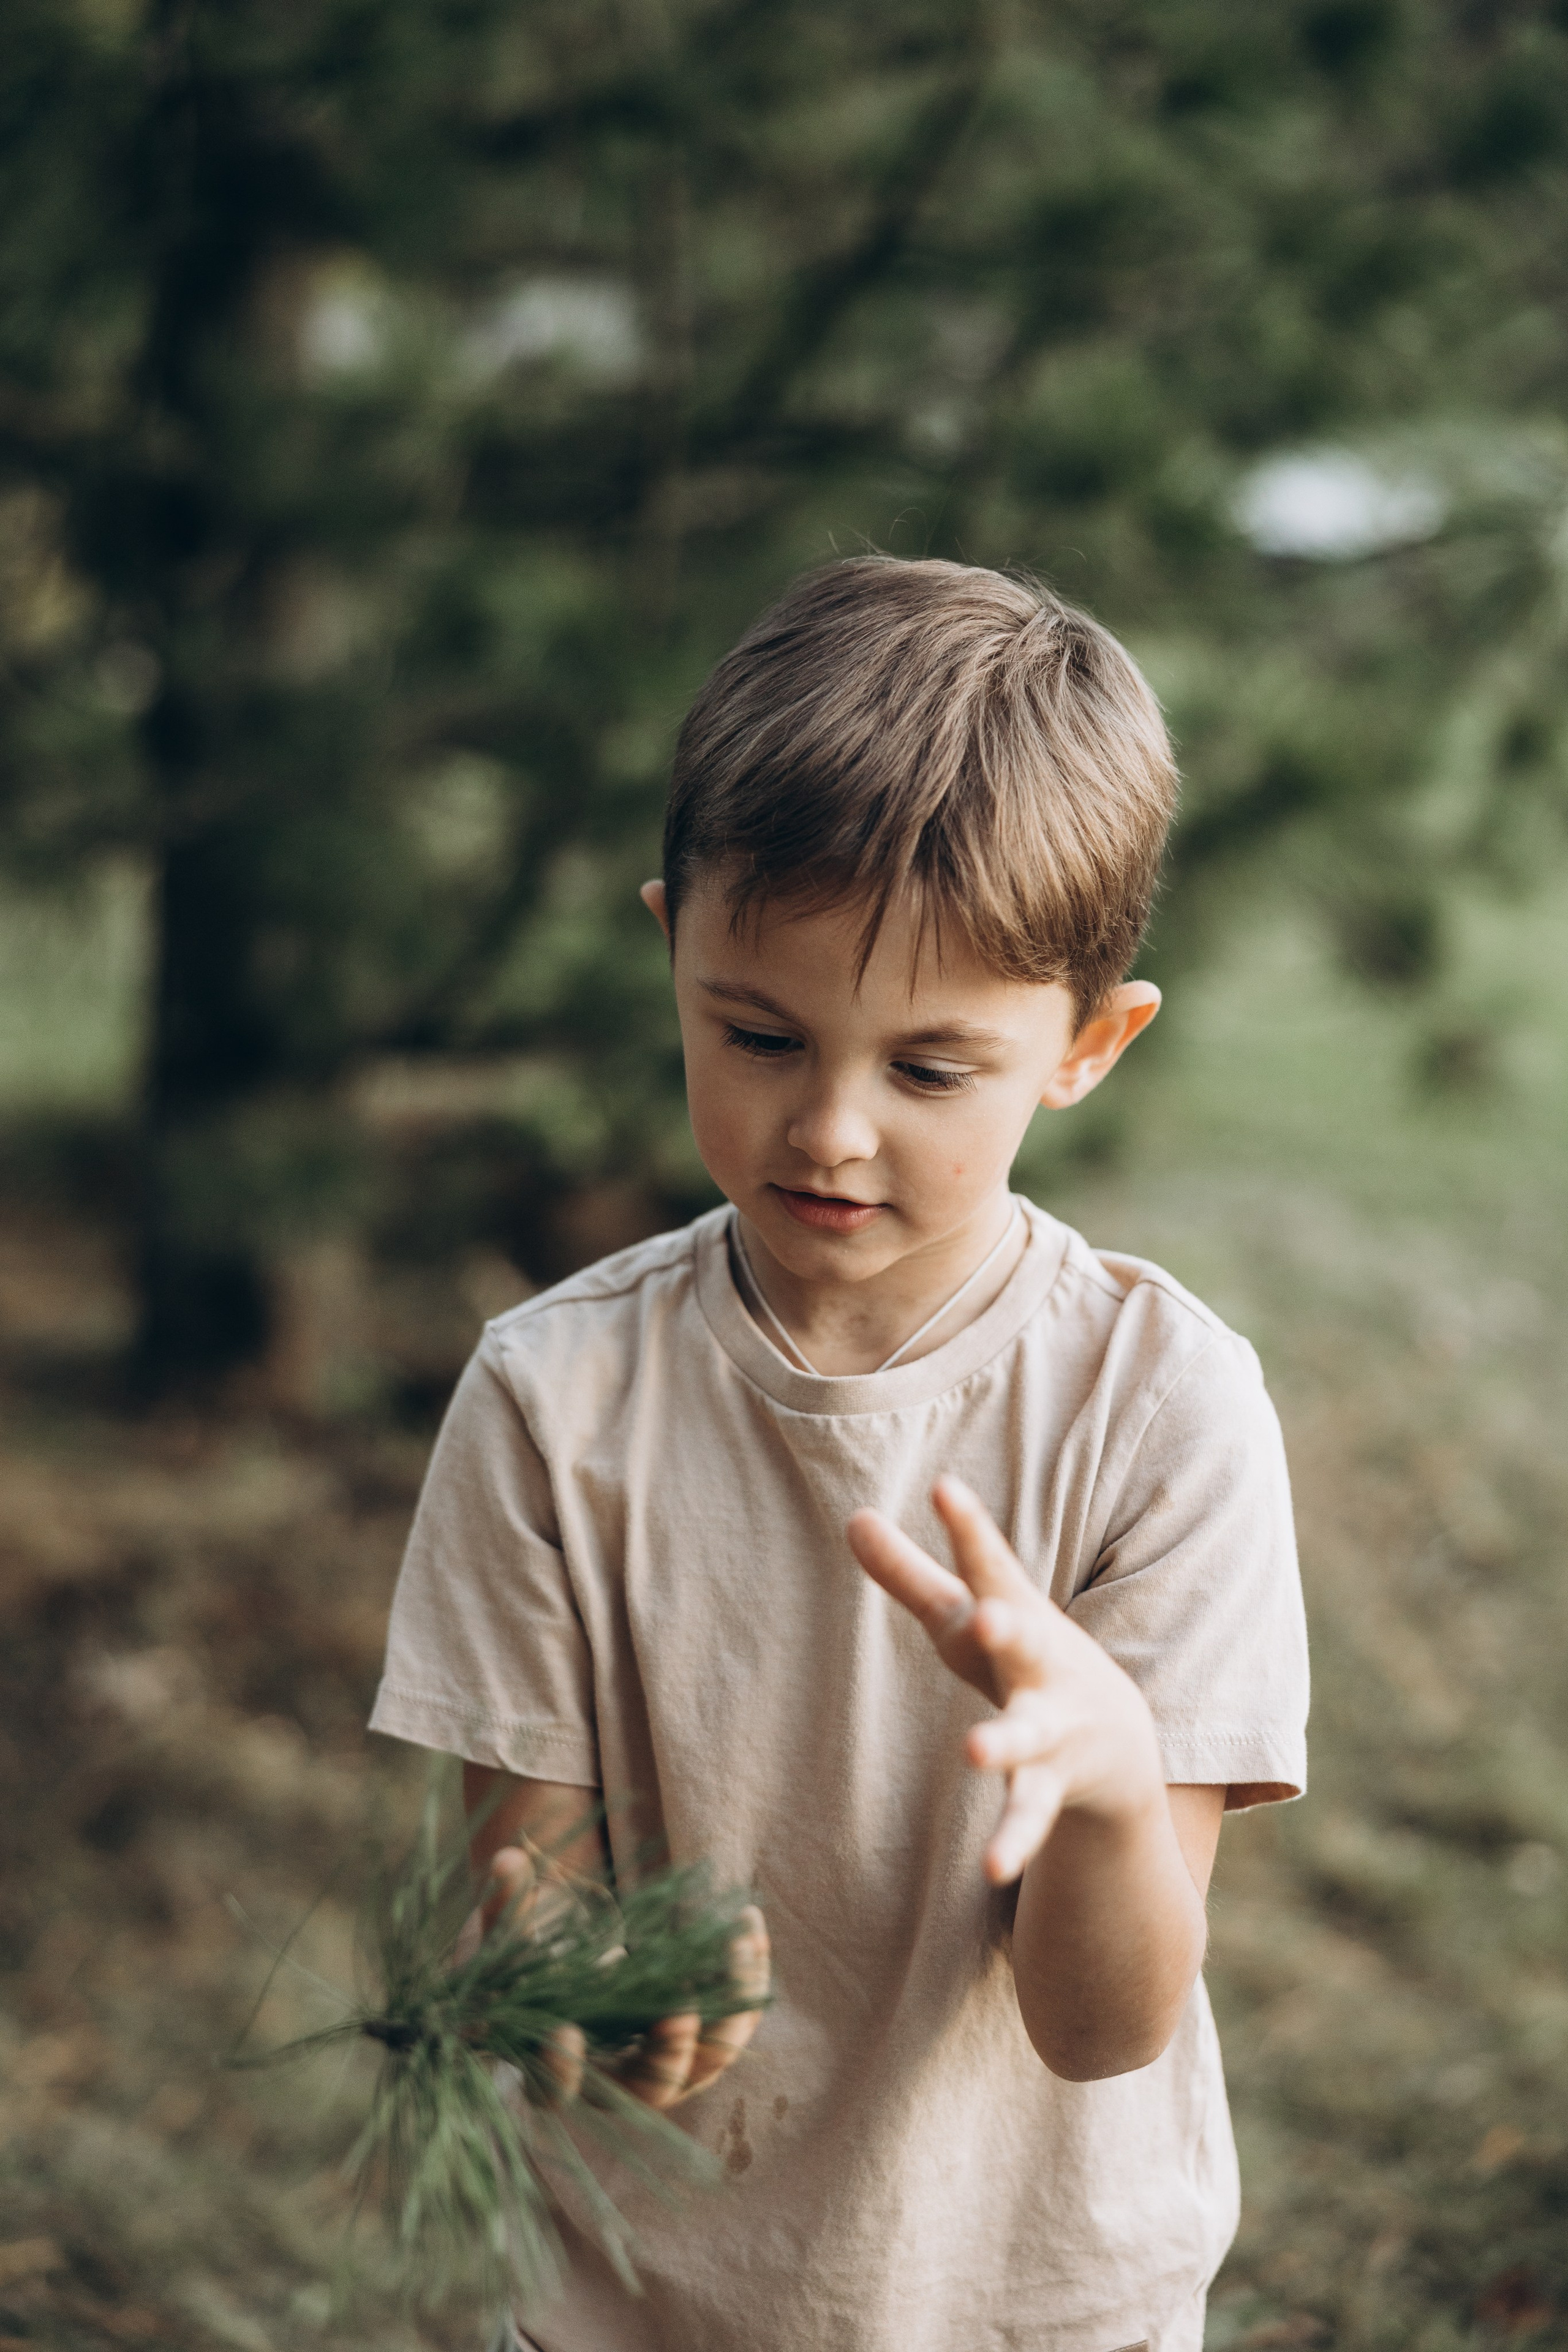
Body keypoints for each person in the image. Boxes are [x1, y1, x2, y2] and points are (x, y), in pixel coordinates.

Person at [370, 557, 1309, 2352]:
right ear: (673, 951)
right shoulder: (553, 1399)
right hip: (634, 2302)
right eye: (760, 1035)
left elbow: (1102, 2027)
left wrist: (1114, 1783)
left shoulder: (1161, 1408)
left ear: (1089, 1047)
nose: (829, 1128)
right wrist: (575, 1981)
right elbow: (516, 1901)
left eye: (931, 1072)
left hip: (1030, 2299)